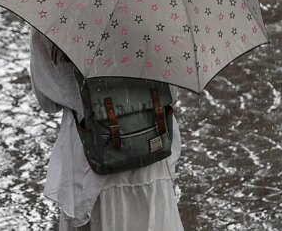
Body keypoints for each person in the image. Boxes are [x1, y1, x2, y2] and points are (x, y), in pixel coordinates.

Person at [29, 29, 184, 231]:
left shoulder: (54, 16)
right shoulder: (157, 11)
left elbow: (47, 102)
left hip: (91, 160)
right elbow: (171, 93)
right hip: (150, 147)